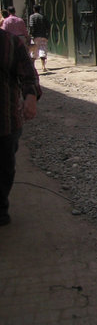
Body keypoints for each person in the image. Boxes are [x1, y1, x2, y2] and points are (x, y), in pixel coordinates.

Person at [0, 28, 41, 226]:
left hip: (5, 121)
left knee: (4, 168)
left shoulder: (10, 43)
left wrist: (31, 97)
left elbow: (29, 75)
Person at [29, 5, 50, 72]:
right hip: (43, 35)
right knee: (43, 50)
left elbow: (31, 26)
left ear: (34, 9)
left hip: (35, 36)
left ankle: (33, 67)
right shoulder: (43, 17)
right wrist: (47, 35)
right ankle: (43, 66)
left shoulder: (32, 17)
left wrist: (30, 34)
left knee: (34, 51)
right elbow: (48, 26)